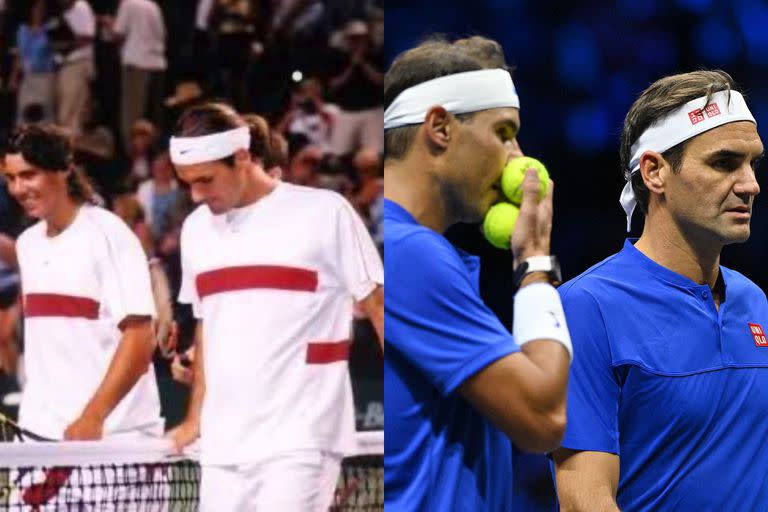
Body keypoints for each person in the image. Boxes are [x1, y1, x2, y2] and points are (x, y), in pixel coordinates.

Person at [552, 70, 767, 510]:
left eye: (752, 164)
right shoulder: (586, 307)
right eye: (724, 163)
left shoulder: (755, 302)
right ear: (654, 172)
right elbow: (585, 499)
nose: (750, 185)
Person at [384, 35, 572, 510]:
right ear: (440, 128)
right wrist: (535, 260)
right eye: (504, 133)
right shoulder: (408, 253)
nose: (516, 158)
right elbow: (542, 417)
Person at [165, 102, 383, 511]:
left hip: (301, 436)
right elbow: (207, 327)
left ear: (243, 157)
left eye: (206, 180)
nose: (197, 194)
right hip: (223, 441)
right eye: (188, 183)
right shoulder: (196, 229)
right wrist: (195, 419)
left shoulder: (324, 212)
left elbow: (379, 307)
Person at [1, 124, 163, 440]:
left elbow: (141, 338)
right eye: (10, 178)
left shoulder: (108, 234)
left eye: (29, 175)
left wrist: (93, 417)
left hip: (112, 439)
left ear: (63, 170)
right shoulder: (28, 244)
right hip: (42, 436)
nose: (18, 188)